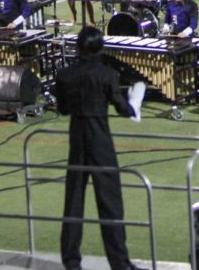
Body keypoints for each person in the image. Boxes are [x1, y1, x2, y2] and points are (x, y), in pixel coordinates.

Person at [54, 25, 145, 270]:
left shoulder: (64, 75)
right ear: (100, 49)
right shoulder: (107, 75)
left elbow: (62, 108)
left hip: (77, 139)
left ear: (79, 48)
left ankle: (71, 262)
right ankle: (120, 262)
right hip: (100, 141)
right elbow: (120, 106)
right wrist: (133, 106)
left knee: (73, 203)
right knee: (110, 204)